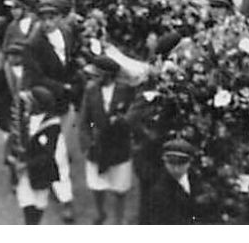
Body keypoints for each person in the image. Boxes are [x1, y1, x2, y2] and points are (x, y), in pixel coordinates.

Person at [78, 55, 135, 224]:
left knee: (120, 186)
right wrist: (87, 142)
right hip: (98, 143)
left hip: (119, 143)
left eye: (97, 75)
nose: (93, 78)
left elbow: (132, 114)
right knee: (97, 183)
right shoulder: (90, 90)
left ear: (108, 75)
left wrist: (123, 123)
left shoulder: (125, 90)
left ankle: (119, 219)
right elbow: (84, 119)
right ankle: (100, 211)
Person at [14, 84, 74, 224]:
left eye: (29, 102)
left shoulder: (52, 127)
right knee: (27, 206)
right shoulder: (26, 119)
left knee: (37, 207)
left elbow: (48, 156)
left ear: (37, 105)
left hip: (41, 173)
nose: (26, 104)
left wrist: (26, 164)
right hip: (27, 173)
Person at [141, 137, 205, 225]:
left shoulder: (195, 179)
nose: (176, 168)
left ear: (190, 162)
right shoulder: (158, 190)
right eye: (171, 163)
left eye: (181, 163)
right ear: (164, 161)